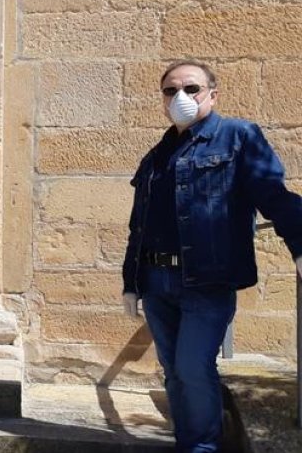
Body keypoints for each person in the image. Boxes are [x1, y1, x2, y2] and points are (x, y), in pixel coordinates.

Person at [122, 60, 302, 453]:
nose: (180, 97)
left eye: (191, 89)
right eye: (171, 91)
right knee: (173, 372)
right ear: (162, 100)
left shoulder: (237, 136)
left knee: (193, 367)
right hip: (156, 283)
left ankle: (202, 447)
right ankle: (189, 441)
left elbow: (274, 196)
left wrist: (300, 244)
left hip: (206, 281)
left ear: (212, 95)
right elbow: (139, 225)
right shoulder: (156, 157)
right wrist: (130, 284)